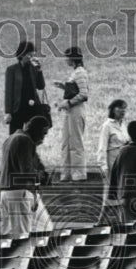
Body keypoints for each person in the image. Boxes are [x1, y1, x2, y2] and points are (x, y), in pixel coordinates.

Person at [0, 115, 52, 239]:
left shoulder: (11, 139)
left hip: (7, 192)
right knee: (21, 237)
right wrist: (42, 177)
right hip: (19, 192)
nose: (43, 138)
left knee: (11, 236)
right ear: (36, 130)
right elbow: (26, 171)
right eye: (43, 134)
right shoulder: (25, 140)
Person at [54, 46, 89, 181]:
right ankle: (67, 173)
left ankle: (78, 174)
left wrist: (67, 103)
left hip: (76, 110)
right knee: (67, 142)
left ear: (72, 58)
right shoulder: (76, 72)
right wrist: (63, 86)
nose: (66, 60)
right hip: (71, 111)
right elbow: (75, 90)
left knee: (75, 142)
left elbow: (84, 94)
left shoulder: (80, 72)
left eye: (67, 57)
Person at [4, 40, 47, 133]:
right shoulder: (12, 70)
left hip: (32, 109)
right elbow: (9, 92)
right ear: (22, 55)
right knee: (15, 136)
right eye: (30, 55)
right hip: (17, 109)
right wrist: (8, 112)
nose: (32, 58)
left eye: (33, 55)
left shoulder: (34, 68)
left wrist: (40, 71)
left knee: (32, 136)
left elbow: (41, 86)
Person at [98, 99, 129, 173]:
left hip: (124, 161)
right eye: (120, 108)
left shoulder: (123, 125)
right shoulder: (107, 126)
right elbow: (102, 147)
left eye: (124, 108)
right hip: (112, 161)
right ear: (113, 110)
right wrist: (103, 166)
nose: (123, 110)